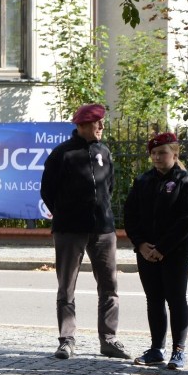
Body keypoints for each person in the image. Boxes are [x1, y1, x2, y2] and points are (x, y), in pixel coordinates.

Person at [40, 103, 130, 360]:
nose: (101, 127)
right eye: (96, 123)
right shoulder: (62, 154)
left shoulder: (104, 151)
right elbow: (47, 191)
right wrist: (66, 213)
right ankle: (67, 340)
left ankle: (109, 339)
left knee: (109, 286)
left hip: (103, 229)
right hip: (70, 230)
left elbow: (108, 186)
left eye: (102, 122)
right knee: (66, 287)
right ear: (81, 126)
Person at [124, 132, 188, 370]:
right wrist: (141, 244)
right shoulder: (143, 181)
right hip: (146, 252)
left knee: (175, 299)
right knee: (154, 300)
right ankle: (157, 348)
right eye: (153, 154)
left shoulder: (186, 182)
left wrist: (163, 248)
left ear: (174, 154)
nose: (157, 157)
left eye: (162, 153)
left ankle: (178, 351)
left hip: (175, 253)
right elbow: (130, 216)